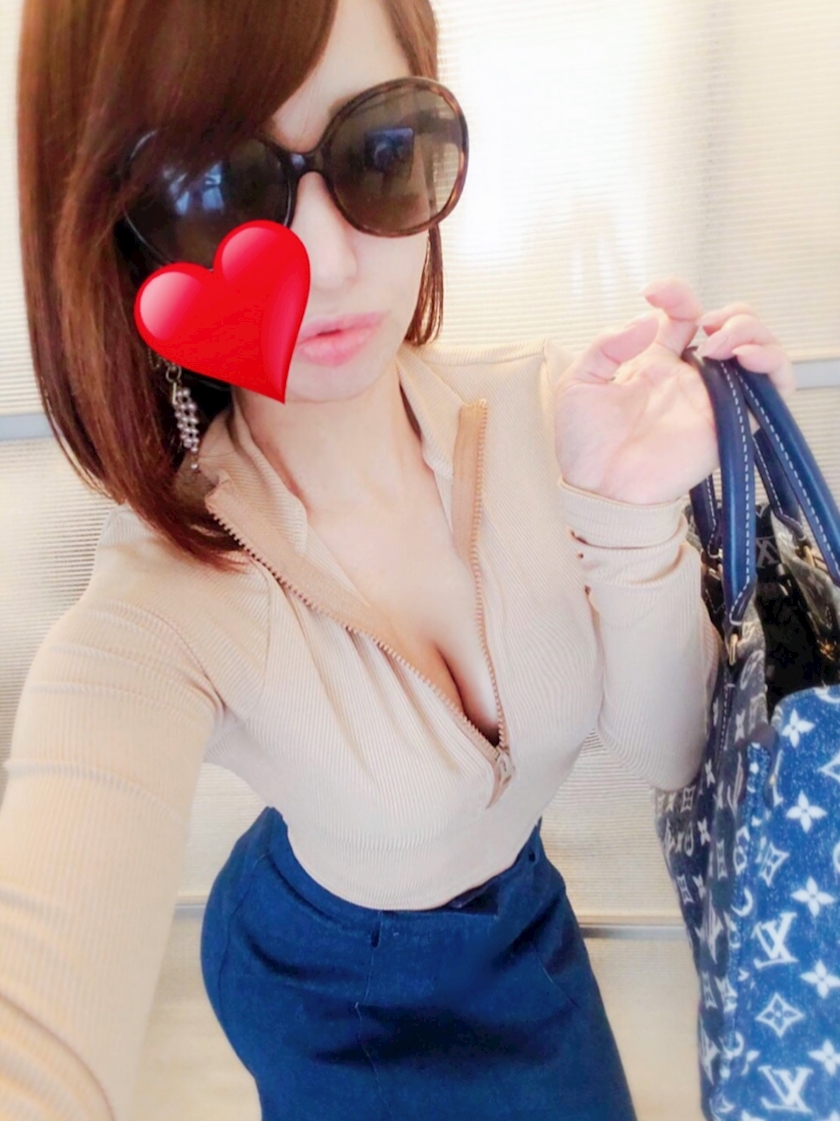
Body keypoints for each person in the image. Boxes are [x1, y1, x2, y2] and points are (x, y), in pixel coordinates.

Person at [3, 0, 797, 1117]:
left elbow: (674, 753)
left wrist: (631, 509)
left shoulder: (547, 412)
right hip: (322, 976)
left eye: (381, 148)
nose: (329, 259)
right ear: (121, 228)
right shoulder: (159, 599)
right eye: (220, 187)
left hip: (520, 919)